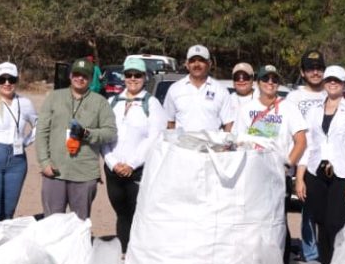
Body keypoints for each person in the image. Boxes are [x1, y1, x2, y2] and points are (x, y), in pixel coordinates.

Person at [295, 65, 345, 264]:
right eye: (329, 80)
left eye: (337, 81)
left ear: (344, 84)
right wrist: (300, 177)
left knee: (335, 224)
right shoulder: (314, 110)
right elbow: (307, 145)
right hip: (315, 173)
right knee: (321, 224)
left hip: (343, 174)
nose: (332, 84)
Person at [35, 58, 117, 220]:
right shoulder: (54, 97)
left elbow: (110, 133)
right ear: (70, 75)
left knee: (79, 226)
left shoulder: (100, 102)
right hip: (55, 172)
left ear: (90, 78)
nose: (80, 78)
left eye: (85, 76)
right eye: (77, 74)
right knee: (52, 224)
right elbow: (41, 132)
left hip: (84, 174)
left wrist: (88, 134)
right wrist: (44, 162)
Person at [102, 57, 164, 249]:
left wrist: (132, 164)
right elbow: (104, 136)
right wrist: (113, 163)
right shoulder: (112, 102)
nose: (133, 79)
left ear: (144, 77)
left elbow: (154, 138)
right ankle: (123, 252)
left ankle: (139, 255)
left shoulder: (151, 103)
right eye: (129, 75)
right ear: (124, 76)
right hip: (114, 170)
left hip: (138, 171)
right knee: (122, 214)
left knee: (139, 214)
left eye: (137, 75)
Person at [0, 62, 38, 221]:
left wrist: (25, 141)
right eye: (2, 79)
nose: (7, 83)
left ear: (16, 80)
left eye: (11, 79)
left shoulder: (25, 103)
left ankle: (5, 245)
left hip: (17, 161)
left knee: (8, 212)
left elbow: (39, 124)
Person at [287, 50, 329, 262]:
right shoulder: (294, 97)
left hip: (329, 163)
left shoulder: (331, 92)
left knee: (328, 212)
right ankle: (310, 255)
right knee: (308, 212)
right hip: (304, 163)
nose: (315, 72)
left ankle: (328, 251)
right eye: (310, 68)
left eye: (319, 68)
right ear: (303, 72)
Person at [162, 45, 232, 133]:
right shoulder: (175, 89)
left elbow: (228, 123)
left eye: (201, 60)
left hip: (212, 146)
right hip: (182, 146)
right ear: (187, 65)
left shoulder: (221, 90)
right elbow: (169, 122)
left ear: (209, 64)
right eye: (192, 61)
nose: (196, 64)